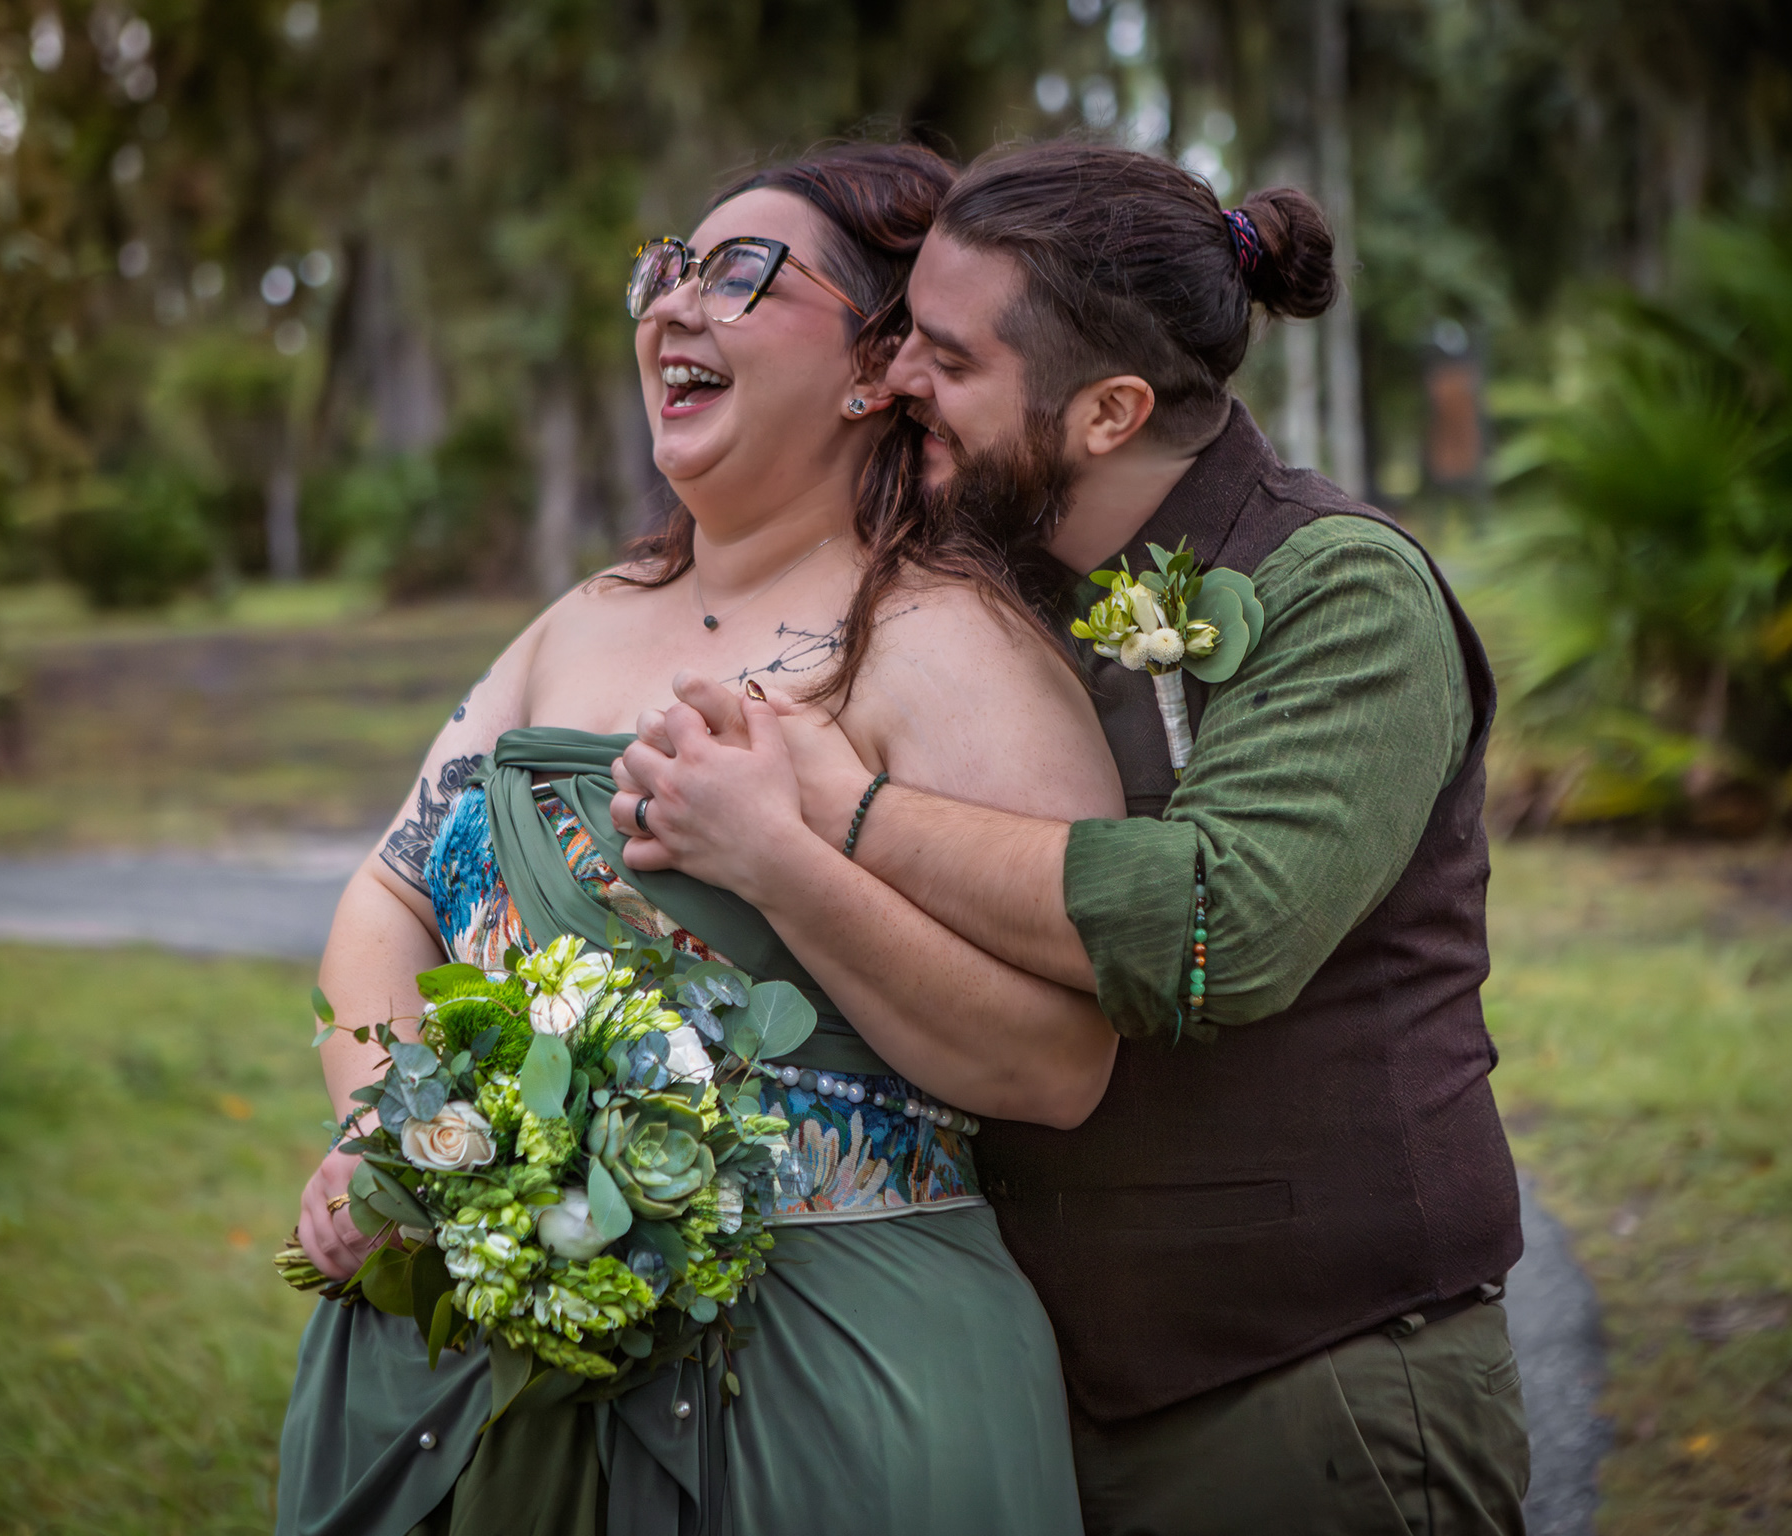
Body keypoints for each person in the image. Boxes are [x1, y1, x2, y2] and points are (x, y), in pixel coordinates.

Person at [615, 142, 1532, 1535]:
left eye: (946, 357)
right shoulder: (994, 573)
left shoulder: (1344, 591)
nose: (898, 380)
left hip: (1315, 1392)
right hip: (1040, 1398)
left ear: (1107, 411)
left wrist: (844, 816)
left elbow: (1215, 926)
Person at [274, 141, 1124, 1536]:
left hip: (826, 1378)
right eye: (663, 270)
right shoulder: (577, 620)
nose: (672, 305)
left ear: (874, 363)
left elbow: (1061, 1063)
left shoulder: (946, 646)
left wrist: (783, 854)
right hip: (477, 1351)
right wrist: (402, 1133)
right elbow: (390, 891)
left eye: (739, 275)